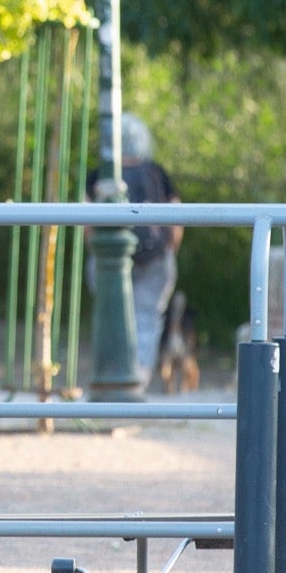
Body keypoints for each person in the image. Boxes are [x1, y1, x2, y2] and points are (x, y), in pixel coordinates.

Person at [87, 113, 183, 386]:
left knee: (111, 316)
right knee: (146, 317)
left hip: (108, 257)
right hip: (155, 257)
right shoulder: (156, 173)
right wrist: (168, 252)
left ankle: (112, 374)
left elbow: (88, 222)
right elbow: (176, 218)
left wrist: (98, 253)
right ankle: (138, 376)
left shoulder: (101, 175)